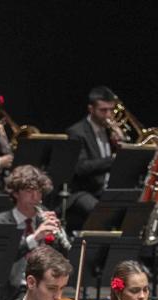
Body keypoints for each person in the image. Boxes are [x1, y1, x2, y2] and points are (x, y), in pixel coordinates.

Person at [0, 164, 68, 299]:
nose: (35, 197)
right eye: (29, 191)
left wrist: (60, 235)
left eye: (39, 191)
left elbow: (61, 260)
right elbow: (1, 260)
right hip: (8, 293)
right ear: (15, 193)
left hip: (42, 292)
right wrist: (35, 238)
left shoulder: (44, 221)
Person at [65, 86, 123, 230]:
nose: (108, 115)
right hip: (84, 191)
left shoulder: (111, 131)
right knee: (100, 213)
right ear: (91, 109)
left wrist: (120, 146)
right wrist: (113, 159)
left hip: (109, 190)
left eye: (111, 110)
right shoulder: (76, 132)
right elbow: (81, 167)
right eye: (103, 110)